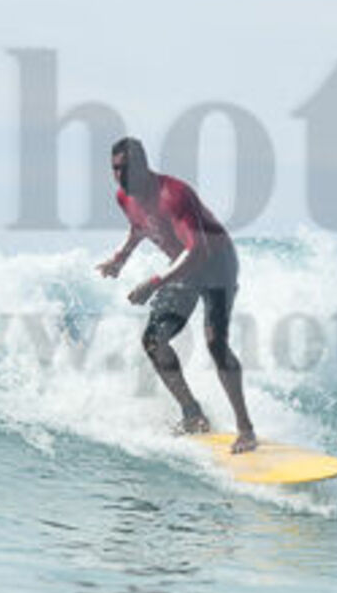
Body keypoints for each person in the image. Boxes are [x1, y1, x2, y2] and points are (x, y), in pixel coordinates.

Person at [96, 137, 257, 452]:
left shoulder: (174, 194)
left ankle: (246, 430)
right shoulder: (124, 197)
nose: (120, 176)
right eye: (115, 169)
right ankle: (193, 415)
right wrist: (120, 258)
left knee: (215, 342)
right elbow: (141, 226)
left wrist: (155, 282)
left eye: (126, 168)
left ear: (143, 165)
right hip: (183, 267)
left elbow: (197, 250)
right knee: (154, 341)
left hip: (217, 264)